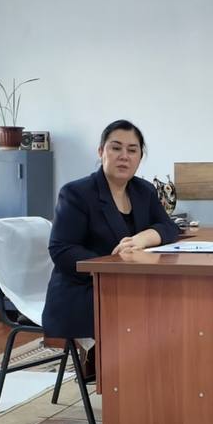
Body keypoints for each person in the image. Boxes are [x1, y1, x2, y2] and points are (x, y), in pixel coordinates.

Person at [42, 120, 180, 372]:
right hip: (85, 289)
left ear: (140, 157)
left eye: (132, 150)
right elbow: (61, 249)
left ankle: (160, 378)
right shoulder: (76, 193)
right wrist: (111, 265)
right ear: (101, 152)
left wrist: (142, 239)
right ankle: (126, 379)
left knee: (178, 302)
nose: (124, 156)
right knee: (154, 312)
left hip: (131, 285)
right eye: (116, 148)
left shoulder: (144, 191)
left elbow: (169, 227)